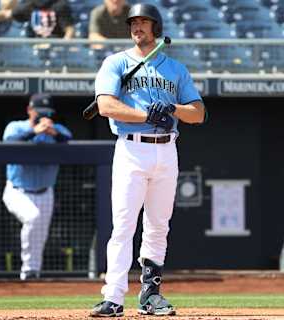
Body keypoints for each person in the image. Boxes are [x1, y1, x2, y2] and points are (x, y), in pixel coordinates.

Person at [89, 3, 206, 317]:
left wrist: (171, 109)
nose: (137, 27)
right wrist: (145, 115)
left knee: (158, 227)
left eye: (144, 22)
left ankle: (151, 295)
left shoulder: (176, 69)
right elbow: (106, 106)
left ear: (157, 27)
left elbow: (198, 113)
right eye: (134, 22)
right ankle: (113, 298)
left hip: (167, 149)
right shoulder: (116, 62)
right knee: (123, 226)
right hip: (131, 148)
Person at [2, 93, 72, 281]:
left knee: (40, 235)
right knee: (33, 218)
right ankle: (27, 271)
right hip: (17, 190)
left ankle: (33, 274)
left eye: (46, 113)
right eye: (39, 113)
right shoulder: (16, 126)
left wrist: (54, 134)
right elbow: (8, 143)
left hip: (45, 191)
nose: (42, 116)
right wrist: (34, 131)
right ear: (29, 110)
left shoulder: (56, 129)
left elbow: (69, 139)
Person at [0, 0, 75, 39]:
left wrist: (64, 44)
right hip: (36, 46)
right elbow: (5, 14)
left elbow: (70, 30)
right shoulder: (30, 5)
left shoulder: (61, 5)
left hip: (56, 46)